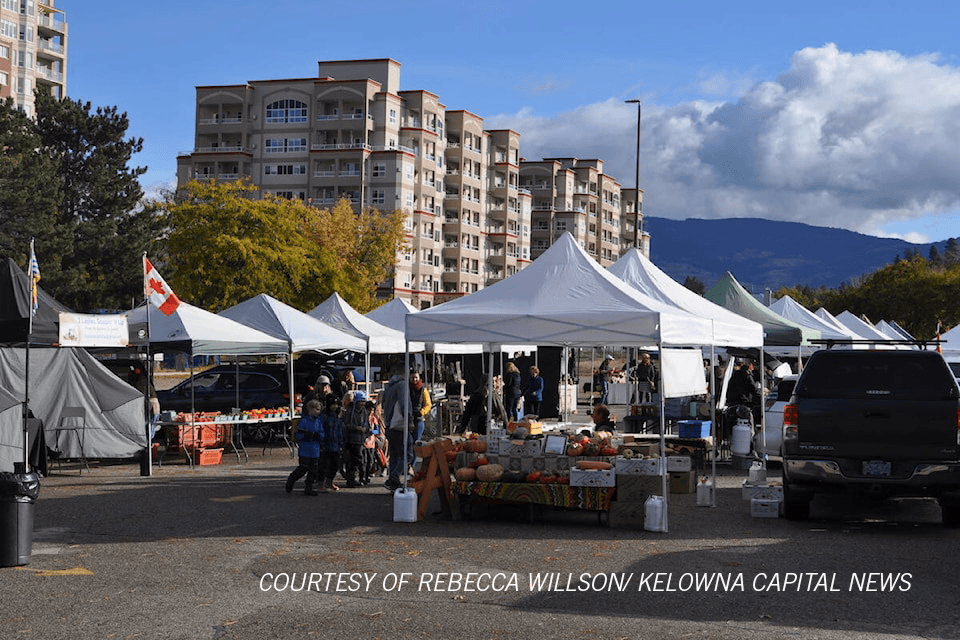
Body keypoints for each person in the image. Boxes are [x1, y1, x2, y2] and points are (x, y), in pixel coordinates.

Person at [379, 368, 408, 492]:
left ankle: (392, 480)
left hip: (389, 424)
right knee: (406, 454)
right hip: (399, 425)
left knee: (394, 455)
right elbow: (404, 404)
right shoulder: (402, 385)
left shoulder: (388, 387)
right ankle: (394, 478)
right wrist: (409, 417)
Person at [285, 399, 323, 496]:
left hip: (315, 449)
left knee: (313, 470)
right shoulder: (304, 421)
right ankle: (292, 479)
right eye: (317, 409)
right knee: (303, 468)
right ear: (311, 409)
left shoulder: (318, 421)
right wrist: (307, 435)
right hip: (305, 449)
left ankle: (308, 488)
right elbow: (298, 435)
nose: (318, 411)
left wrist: (319, 436)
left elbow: (322, 434)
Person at [342, 390, 371, 487]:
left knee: (360, 460)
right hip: (351, 439)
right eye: (360, 401)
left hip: (361, 440)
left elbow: (370, 426)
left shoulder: (364, 412)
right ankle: (351, 479)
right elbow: (346, 425)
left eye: (363, 402)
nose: (362, 404)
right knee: (353, 460)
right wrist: (356, 428)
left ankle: (360, 478)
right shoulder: (349, 411)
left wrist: (367, 430)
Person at [318, 393, 344, 491]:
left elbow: (340, 431)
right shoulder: (324, 416)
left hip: (336, 444)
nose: (335, 406)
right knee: (324, 465)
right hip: (325, 444)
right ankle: (321, 484)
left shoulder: (337, 417)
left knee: (335, 465)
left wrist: (341, 443)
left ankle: (329, 482)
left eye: (336, 404)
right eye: (333, 404)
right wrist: (321, 443)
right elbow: (320, 430)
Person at [409, 370, 432, 443]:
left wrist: (422, 412)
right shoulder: (407, 389)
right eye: (412, 377)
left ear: (419, 378)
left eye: (416, 377)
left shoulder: (423, 390)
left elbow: (428, 404)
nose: (414, 379)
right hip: (409, 418)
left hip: (419, 418)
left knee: (417, 440)